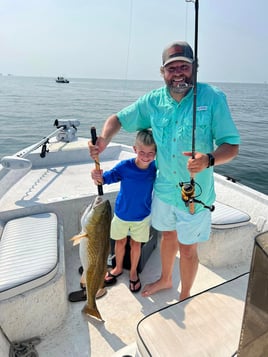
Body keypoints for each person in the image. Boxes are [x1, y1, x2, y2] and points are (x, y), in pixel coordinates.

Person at [89, 41, 240, 301]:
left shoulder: (213, 98)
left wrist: (209, 159)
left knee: (188, 248)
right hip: (164, 189)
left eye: (184, 66)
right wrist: (104, 139)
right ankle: (167, 278)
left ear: (195, 68)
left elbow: (231, 145)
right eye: (172, 68)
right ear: (163, 72)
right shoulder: (153, 101)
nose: (178, 72)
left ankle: (186, 293)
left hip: (196, 191)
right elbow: (117, 119)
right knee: (167, 235)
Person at [91, 129, 156, 293]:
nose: (146, 156)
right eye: (142, 152)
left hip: (142, 216)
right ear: (135, 150)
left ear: (156, 153)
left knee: (136, 244)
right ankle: (118, 267)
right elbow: (106, 178)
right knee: (119, 242)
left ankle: (133, 272)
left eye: (151, 153)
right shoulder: (124, 167)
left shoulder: (155, 168)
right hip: (121, 214)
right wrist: (97, 176)